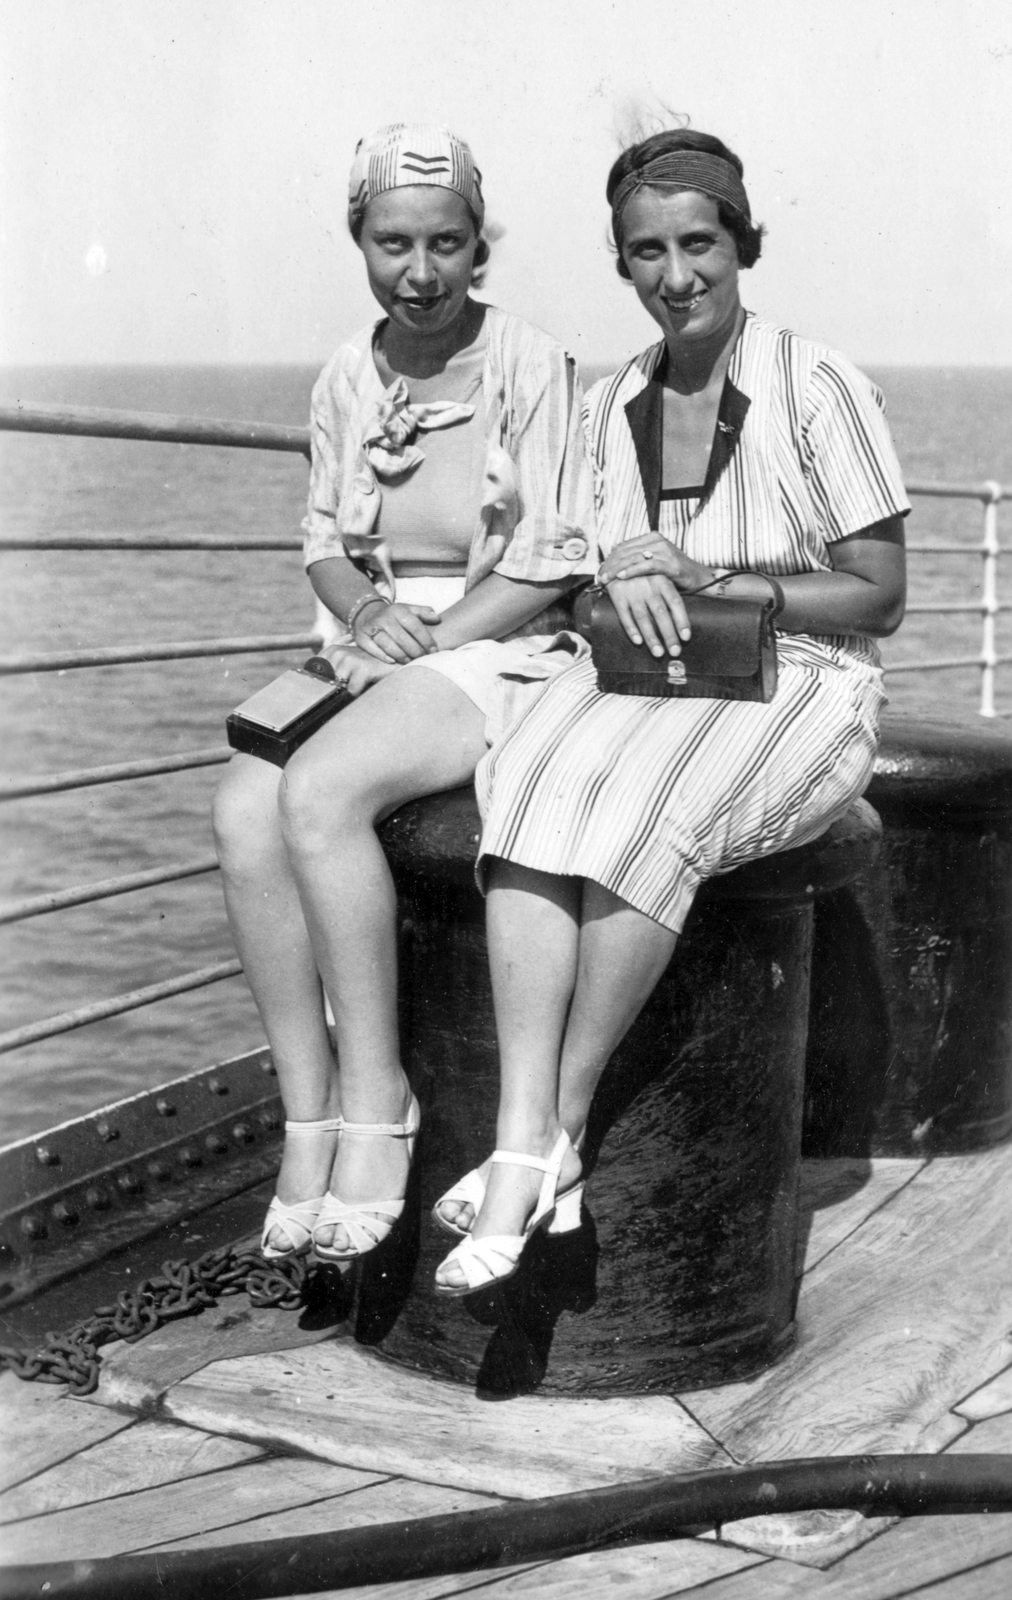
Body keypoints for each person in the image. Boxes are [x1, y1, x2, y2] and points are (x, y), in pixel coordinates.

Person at [434, 128, 908, 1295]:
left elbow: (880, 596)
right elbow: (591, 568)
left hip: (804, 676)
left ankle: (554, 1132)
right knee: (535, 777)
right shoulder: (614, 403)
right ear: (624, 265)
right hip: (659, 671)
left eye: (697, 243)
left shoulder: (815, 380)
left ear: (743, 244)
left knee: (642, 804)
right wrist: (620, 578)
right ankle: (526, 1131)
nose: (674, 274)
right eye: (645, 252)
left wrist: (714, 577)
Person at [213, 123, 593, 1263]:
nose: (419, 271)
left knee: (320, 793)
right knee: (241, 811)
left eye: (445, 243)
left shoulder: (530, 361)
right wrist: (365, 613)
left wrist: (425, 642)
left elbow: (554, 553)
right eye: (393, 244)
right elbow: (324, 542)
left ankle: (380, 1105)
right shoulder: (347, 372)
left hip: (501, 635)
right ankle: (310, 1115)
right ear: (359, 243)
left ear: (480, 244)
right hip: (376, 640)